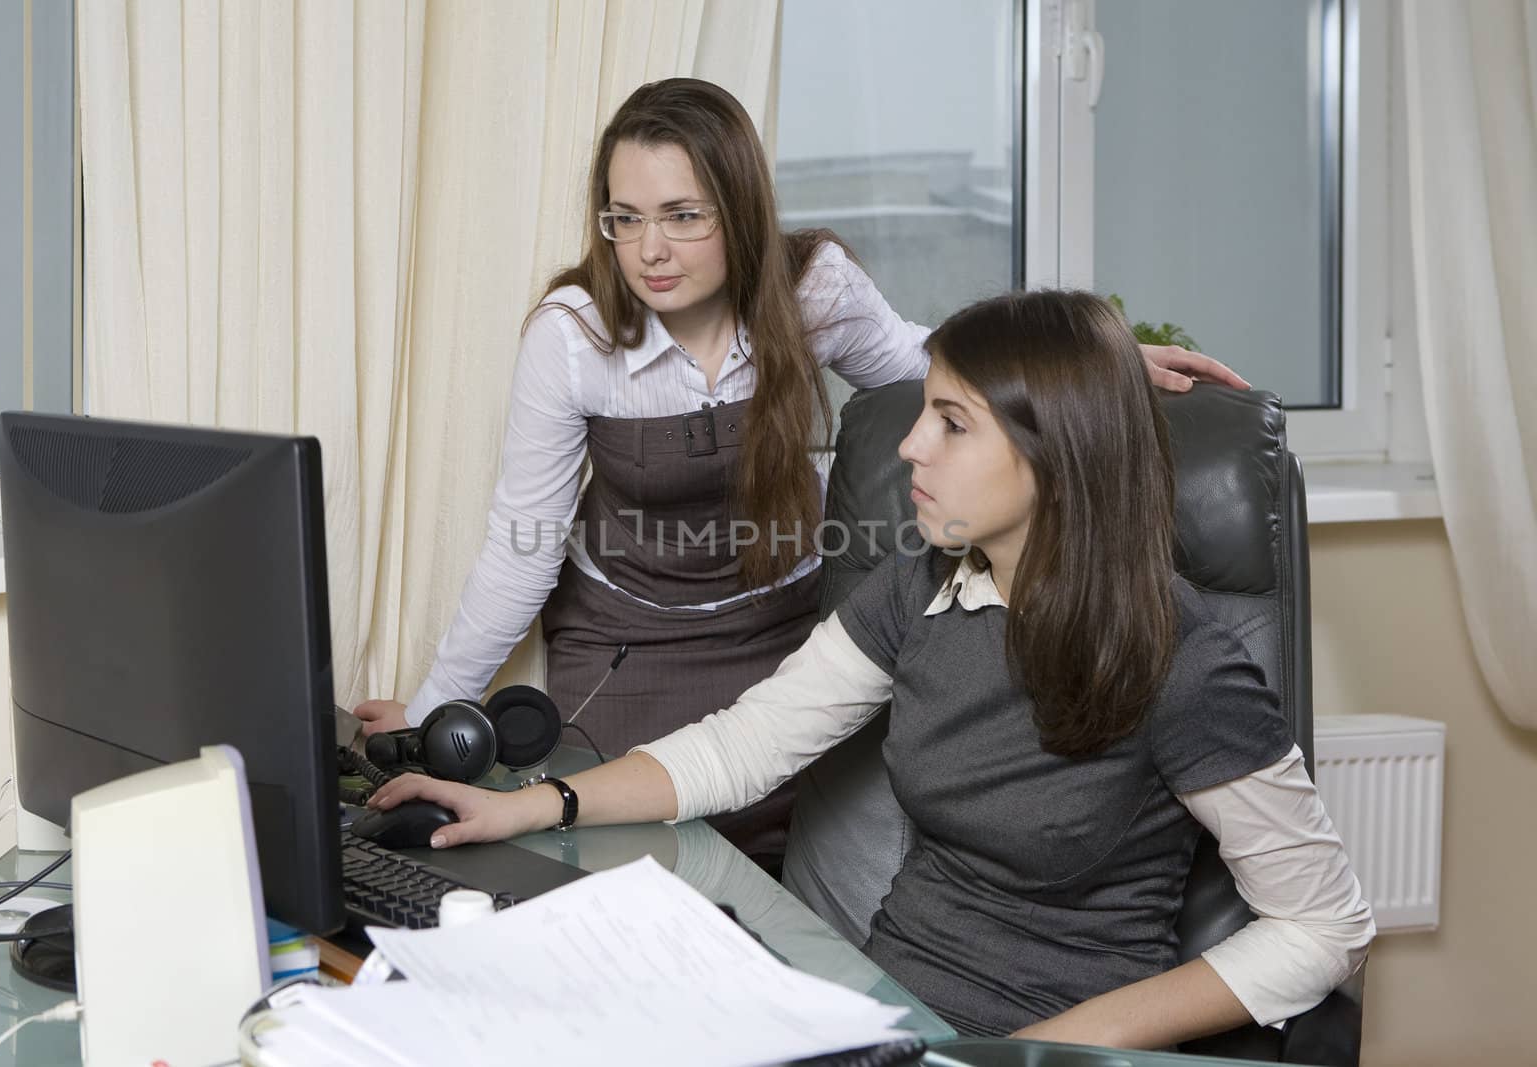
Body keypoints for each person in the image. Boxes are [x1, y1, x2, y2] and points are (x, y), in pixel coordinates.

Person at [367, 289, 1374, 1046]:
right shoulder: (922, 586)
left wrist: (1055, 1047)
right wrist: (530, 803)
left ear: (1055, 451)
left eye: (950, 420)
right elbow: (746, 744)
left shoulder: (1184, 665)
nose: (908, 448)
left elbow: (1322, 923)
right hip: (877, 1014)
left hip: (1044, 1040)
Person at [355, 78, 1246, 871]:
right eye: (624, 217)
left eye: (682, 214)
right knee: (621, 860)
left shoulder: (813, 289)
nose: (649, 249)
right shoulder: (573, 335)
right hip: (627, 644)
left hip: (783, 632)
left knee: (786, 876)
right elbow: (523, 547)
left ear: (739, 211)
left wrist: (1101, 362)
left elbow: (928, 365)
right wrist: (434, 717)